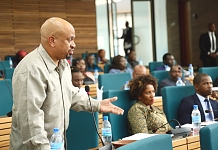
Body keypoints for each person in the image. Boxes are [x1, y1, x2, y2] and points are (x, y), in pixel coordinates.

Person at [10, 17, 124, 150]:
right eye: (70, 39)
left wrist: (97, 104)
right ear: (52, 41)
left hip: (56, 144)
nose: (74, 44)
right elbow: (30, 121)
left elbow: (71, 94)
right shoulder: (31, 69)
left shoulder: (63, 64)